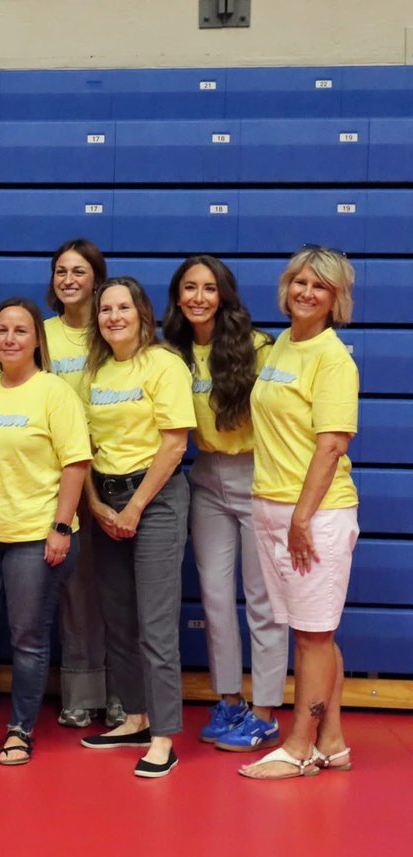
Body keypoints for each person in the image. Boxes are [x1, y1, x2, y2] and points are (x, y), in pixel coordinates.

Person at [0, 298, 90, 765]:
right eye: (1, 330)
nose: (9, 338)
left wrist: (61, 526)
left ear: (37, 341)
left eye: (20, 331)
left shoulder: (54, 393)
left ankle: (21, 729)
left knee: (28, 637)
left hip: (35, 534)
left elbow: (76, 463)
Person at [240, 247, 359, 781]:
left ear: (336, 299)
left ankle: (298, 746)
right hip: (273, 505)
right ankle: (331, 742)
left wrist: (301, 518)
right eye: (300, 282)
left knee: (312, 636)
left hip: (313, 514)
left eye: (320, 286)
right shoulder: (283, 344)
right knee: (315, 631)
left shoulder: (333, 359)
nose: (307, 292)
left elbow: (331, 444)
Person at [162, 256, 284, 753]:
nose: (198, 297)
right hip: (207, 477)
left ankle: (266, 712)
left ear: (224, 295)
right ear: (177, 296)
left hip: (257, 474)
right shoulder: (172, 352)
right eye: (189, 288)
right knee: (214, 597)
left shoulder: (258, 347)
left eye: (209, 288)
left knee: (262, 600)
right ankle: (230, 700)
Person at [79, 277, 194, 779]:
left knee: (156, 623)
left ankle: (164, 736)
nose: (114, 317)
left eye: (123, 307)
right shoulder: (95, 370)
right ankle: (135, 718)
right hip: (105, 501)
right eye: (106, 309)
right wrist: (95, 504)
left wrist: (134, 508)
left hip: (156, 499)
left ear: (142, 313)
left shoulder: (164, 364)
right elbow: (82, 447)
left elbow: (175, 443)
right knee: (119, 618)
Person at [42, 239, 122, 730]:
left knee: (116, 590)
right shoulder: (43, 334)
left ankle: (122, 692)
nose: (69, 279)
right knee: (75, 592)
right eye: (61, 271)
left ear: (97, 279)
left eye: (79, 271)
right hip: (61, 479)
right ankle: (81, 691)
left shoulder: (113, 327)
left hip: (113, 476)